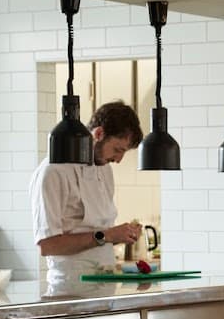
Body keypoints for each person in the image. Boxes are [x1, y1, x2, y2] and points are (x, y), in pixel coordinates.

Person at [29, 101, 144, 289]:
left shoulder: (104, 169)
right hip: (69, 289)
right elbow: (47, 245)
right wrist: (106, 236)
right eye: (117, 150)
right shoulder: (52, 172)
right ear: (98, 134)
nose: (118, 160)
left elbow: (100, 234)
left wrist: (121, 235)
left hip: (106, 284)